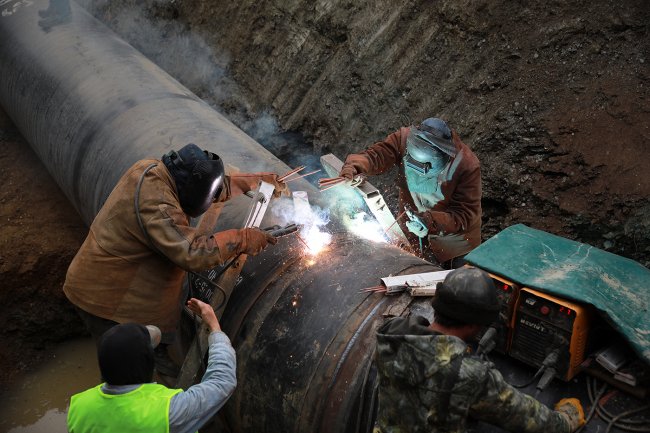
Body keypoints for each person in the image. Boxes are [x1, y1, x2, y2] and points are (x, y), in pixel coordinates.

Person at [63, 143, 287, 373]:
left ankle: (157, 365)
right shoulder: (157, 204)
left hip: (127, 292)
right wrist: (242, 239)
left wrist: (253, 181)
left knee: (149, 361)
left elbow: (200, 189)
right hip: (109, 301)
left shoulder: (157, 171)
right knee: (127, 377)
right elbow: (192, 252)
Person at [373, 267, 585, 433]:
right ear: (477, 324)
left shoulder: (391, 332)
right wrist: (567, 418)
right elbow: (530, 419)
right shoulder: (468, 373)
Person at [67, 297, 235, 433]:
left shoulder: (79, 406)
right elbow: (221, 383)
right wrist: (214, 327)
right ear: (146, 364)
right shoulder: (168, 411)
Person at [339, 118, 481, 268]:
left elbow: (464, 215)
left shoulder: (467, 165)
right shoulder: (403, 140)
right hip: (412, 229)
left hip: (454, 244)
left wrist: (429, 221)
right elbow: (378, 155)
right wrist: (355, 167)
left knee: (458, 280)